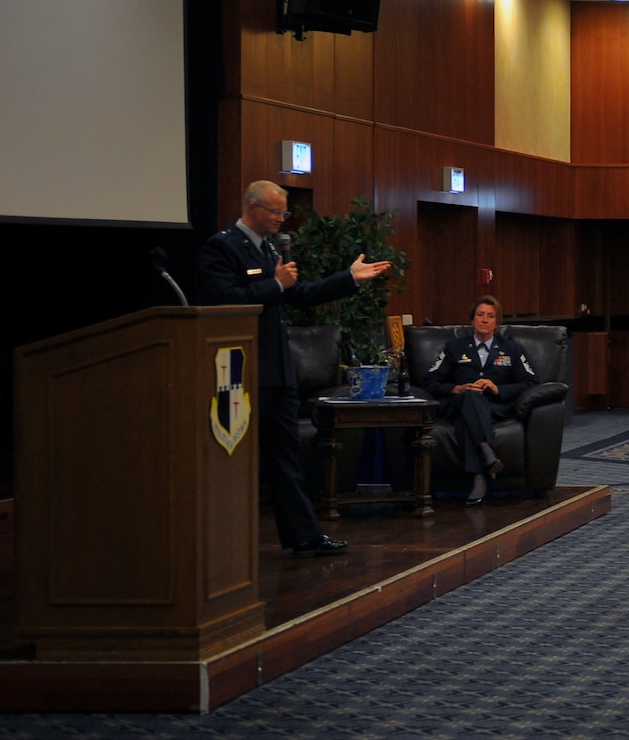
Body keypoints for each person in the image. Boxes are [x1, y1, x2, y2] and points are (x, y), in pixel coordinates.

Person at [196, 180, 393, 555]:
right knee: (230, 459)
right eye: (275, 212)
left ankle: (305, 536)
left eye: (284, 212)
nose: (281, 219)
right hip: (239, 372)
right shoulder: (223, 247)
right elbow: (222, 300)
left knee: (287, 458)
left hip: (277, 371)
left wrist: (348, 278)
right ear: (252, 208)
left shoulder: (268, 248)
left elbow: (298, 294)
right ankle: (221, 541)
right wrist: (275, 284)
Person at [425, 296, 539, 505]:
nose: (484, 320)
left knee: (465, 422)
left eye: (490, 316)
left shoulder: (511, 349)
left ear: (497, 323)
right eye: (480, 315)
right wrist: (456, 388)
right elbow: (431, 380)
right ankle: (487, 451)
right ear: (472, 320)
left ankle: (479, 475)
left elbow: (531, 382)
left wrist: (498, 389)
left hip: (494, 407)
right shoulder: (454, 347)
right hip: (458, 403)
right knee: (470, 395)